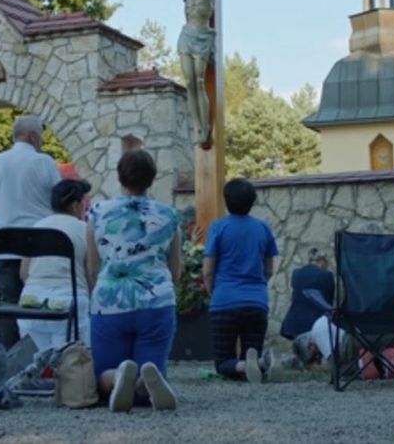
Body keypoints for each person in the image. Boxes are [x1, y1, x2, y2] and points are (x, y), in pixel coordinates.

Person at [133, 0, 273, 147]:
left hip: (202, 37)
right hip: (186, 36)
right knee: (188, 83)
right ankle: (197, 126)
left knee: (198, 82)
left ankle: (206, 128)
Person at [86, 149, 180, 412]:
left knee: (99, 377)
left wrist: (99, 299)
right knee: (152, 372)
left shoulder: (97, 212)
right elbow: (175, 269)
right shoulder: (169, 215)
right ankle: (144, 383)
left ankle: (117, 377)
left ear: (120, 177)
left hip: (110, 302)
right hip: (156, 301)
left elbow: (93, 268)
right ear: (152, 179)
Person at [0, 115, 61, 347]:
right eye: (41, 135)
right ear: (32, 136)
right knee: (39, 301)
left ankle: (11, 353)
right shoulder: (44, 162)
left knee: (9, 303)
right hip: (38, 245)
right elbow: (59, 199)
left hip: (5, 243)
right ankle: (39, 350)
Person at [203, 178, 279, 383]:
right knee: (251, 350)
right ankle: (261, 363)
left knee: (222, 363)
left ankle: (246, 365)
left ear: (226, 200)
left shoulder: (218, 227)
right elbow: (269, 269)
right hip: (256, 302)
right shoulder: (263, 228)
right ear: (252, 202)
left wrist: (214, 292)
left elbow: (208, 270)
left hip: (224, 301)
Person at [18, 179, 93, 352]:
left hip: (31, 305)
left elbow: (23, 273)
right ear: (75, 206)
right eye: (84, 203)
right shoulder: (84, 230)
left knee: (36, 367)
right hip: (70, 305)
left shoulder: (36, 227)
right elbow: (91, 273)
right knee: (70, 367)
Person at [279, 247, 334, 340]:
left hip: (293, 323)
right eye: (326, 262)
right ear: (321, 261)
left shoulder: (296, 273)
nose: (327, 265)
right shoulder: (327, 275)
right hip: (316, 324)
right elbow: (329, 301)